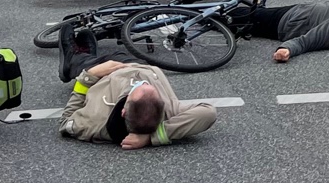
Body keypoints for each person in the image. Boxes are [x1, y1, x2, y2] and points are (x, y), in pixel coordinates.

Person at [60, 59, 217, 148]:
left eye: (139, 87)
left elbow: (66, 121)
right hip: (141, 63)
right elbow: (208, 113)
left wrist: (88, 77)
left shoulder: (95, 123)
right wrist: (156, 136)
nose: (141, 83)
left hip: (104, 73)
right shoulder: (171, 111)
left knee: (81, 56)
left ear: (123, 111)